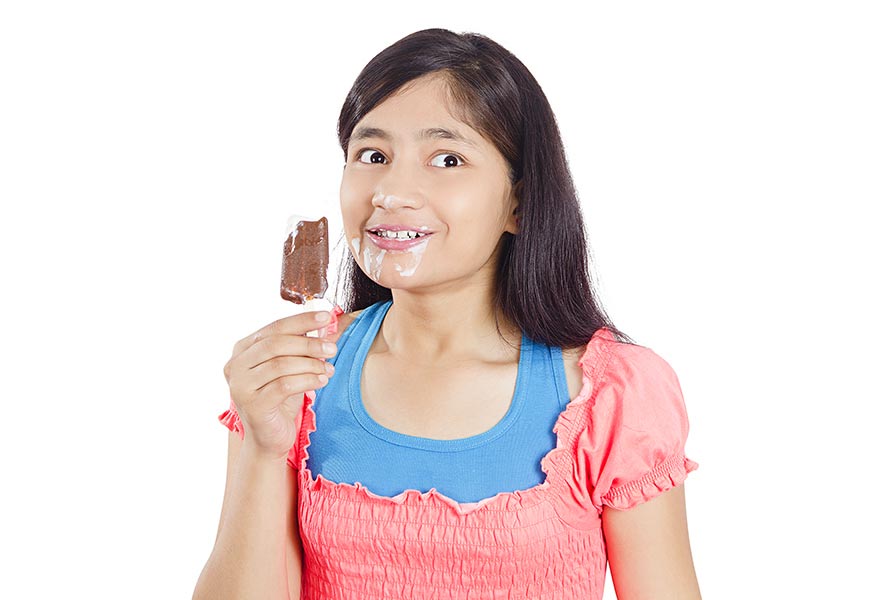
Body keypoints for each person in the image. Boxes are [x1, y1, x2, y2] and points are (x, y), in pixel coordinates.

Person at [193, 28, 701, 600]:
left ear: (519, 203)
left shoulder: (611, 393)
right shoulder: (297, 378)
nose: (391, 189)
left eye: (447, 158)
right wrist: (263, 447)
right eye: (373, 154)